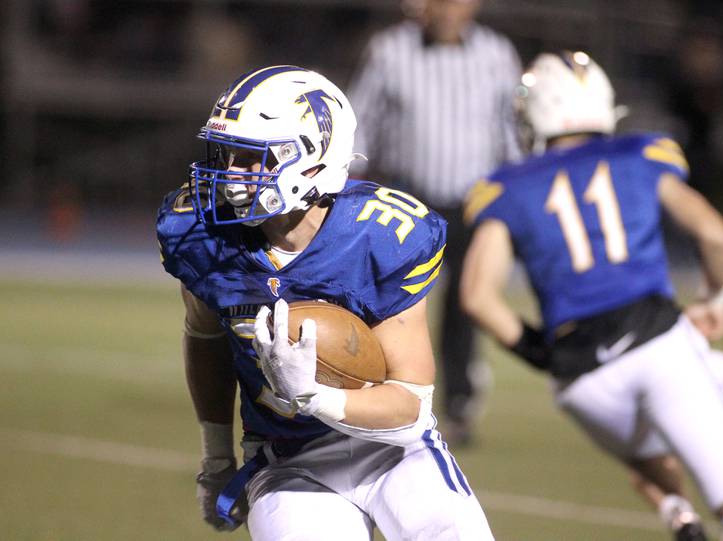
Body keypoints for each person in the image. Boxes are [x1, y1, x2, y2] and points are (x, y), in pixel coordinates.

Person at [156, 65, 494, 540]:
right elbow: (206, 336)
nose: (231, 173)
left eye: (255, 159)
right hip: (289, 460)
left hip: (392, 451)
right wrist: (216, 456)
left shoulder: (381, 235)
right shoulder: (202, 235)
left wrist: (316, 396)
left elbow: (408, 410)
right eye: (230, 153)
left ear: (312, 161)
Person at [459, 51, 723, 541]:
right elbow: (715, 236)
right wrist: (714, 299)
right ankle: (699, 513)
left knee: (650, 460)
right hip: (656, 343)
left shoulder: (507, 187)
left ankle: (678, 513)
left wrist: (544, 353)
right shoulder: (640, 155)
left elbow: (478, 297)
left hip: (583, 379)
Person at [348, 0, 522, 445]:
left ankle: (459, 407)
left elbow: (510, 129)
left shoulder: (497, 53)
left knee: (467, 308)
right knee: (389, 303)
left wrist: (517, 190)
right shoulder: (390, 50)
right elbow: (360, 120)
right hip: (409, 198)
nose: (446, 9)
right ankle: (377, 399)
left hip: (476, 201)